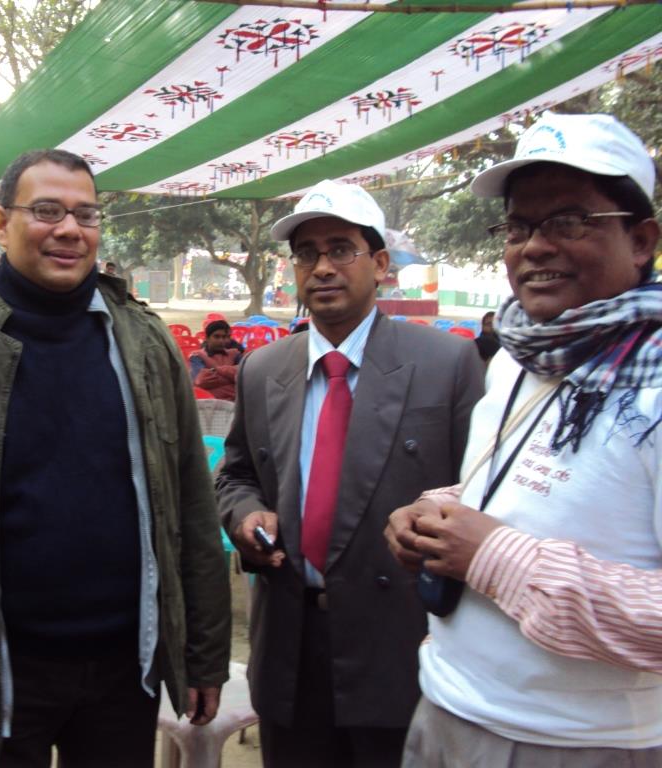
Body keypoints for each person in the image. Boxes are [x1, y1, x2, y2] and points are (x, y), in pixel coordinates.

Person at [0, 148, 231, 768]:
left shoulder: (146, 345)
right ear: (0, 222)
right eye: (46, 211)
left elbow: (192, 507)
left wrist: (204, 654)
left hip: (126, 669)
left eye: (86, 215)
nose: (69, 230)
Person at [385, 112, 662, 765]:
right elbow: (520, 488)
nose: (534, 247)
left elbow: (501, 547)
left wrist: (494, 557)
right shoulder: (518, 357)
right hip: (444, 706)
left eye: (569, 222)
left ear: (642, 240)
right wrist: (436, 514)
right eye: (518, 227)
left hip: (579, 744)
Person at [217, 179, 484, 768]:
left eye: (341, 249)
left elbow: (482, 494)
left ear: (380, 264)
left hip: (399, 648)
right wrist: (246, 516)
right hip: (290, 649)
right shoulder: (262, 370)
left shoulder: (445, 364)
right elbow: (236, 476)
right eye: (306, 254)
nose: (322, 267)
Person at [188, 319, 242, 401]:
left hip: (235, 402)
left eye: (224, 337)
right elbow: (200, 381)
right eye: (216, 336)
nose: (221, 341)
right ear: (207, 338)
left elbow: (244, 378)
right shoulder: (197, 356)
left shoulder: (235, 354)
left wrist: (215, 370)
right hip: (210, 403)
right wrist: (231, 376)